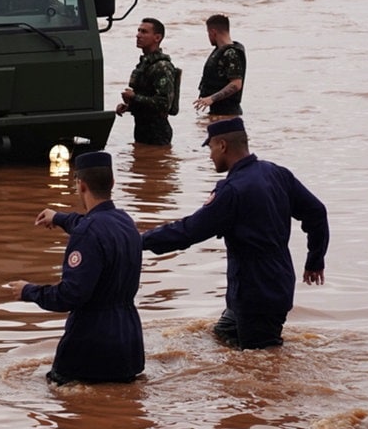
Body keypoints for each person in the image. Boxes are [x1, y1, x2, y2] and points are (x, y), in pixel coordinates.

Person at [141, 118, 329, 349]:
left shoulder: (232, 191)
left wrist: (139, 241)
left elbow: (188, 232)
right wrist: (315, 259)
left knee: (263, 365)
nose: (210, 156)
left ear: (222, 145)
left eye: (210, 149)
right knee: (224, 332)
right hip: (277, 281)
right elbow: (317, 212)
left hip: (254, 291)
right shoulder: (277, 173)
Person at [6, 151, 145, 385]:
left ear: (80, 185)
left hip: (89, 346)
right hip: (129, 344)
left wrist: (27, 291)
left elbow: (71, 295)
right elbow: (91, 223)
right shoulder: (125, 221)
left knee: (63, 411)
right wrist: (59, 217)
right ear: (112, 182)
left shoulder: (86, 233)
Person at [115, 18, 177, 145]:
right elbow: (147, 96)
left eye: (144, 32)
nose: (138, 35)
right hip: (142, 129)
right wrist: (129, 107)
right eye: (138, 31)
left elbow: (164, 103)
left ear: (157, 37)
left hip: (157, 132)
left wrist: (134, 97)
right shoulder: (145, 64)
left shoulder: (162, 66)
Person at [193, 14, 246, 117]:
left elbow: (236, 84)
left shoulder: (231, 53)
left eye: (208, 33)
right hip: (219, 112)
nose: (208, 37)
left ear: (213, 32)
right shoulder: (220, 51)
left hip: (228, 114)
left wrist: (211, 98)